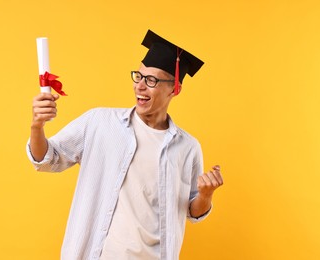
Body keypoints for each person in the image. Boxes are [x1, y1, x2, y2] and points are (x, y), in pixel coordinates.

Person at [26, 30, 223, 260]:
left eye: (152, 80)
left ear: (175, 88)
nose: (140, 86)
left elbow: (192, 211)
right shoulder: (99, 122)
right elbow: (46, 159)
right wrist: (37, 126)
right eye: (138, 77)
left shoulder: (187, 148)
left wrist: (206, 195)